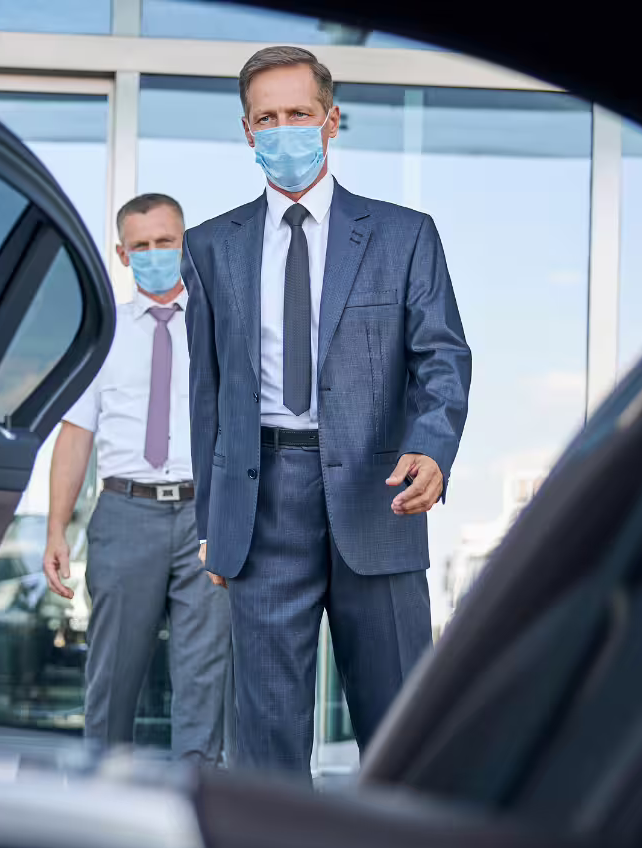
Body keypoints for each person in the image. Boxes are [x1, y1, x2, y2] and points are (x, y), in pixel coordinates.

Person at [182, 46, 471, 779]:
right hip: (262, 501)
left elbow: (442, 356)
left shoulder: (405, 236)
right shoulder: (210, 247)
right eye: (267, 119)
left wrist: (433, 447)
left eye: (299, 114)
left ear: (331, 120)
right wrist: (212, 525)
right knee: (268, 740)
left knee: (402, 726)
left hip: (380, 497)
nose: (285, 131)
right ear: (248, 133)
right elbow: (207, 393)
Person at [44, 193, 230, 765]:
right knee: (113, 676)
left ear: (186, 244)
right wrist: (56, 530)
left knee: (204, 679)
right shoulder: (101, 336)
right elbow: (75, 435)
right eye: (141, 246)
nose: (155, 254)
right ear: (123, 255)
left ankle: (197, 814)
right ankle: (100, 811)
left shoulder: (222, 330)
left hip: (207, 515)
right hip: (126, 514)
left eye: (165, 242)